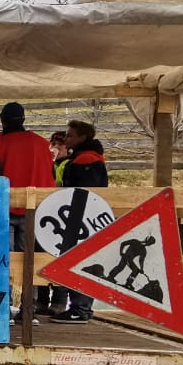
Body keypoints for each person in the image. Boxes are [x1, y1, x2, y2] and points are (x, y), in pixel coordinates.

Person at [0, 102, 56, 318]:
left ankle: (4, 308)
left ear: (3, 120)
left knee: (3, 259)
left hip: (3, 209)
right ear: (23, 120)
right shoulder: (41, 143)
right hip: (33, 209)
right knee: (29, 259)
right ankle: (29, 308)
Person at [52, 120, 110, 323]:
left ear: (82, 137)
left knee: (79, 260)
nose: (66, 138)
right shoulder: (84, 157)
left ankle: (80, 308)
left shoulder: (86, 160)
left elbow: (84, 192)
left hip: (81, 217)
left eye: (70, 135)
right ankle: (81, 307)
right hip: (81, 216)